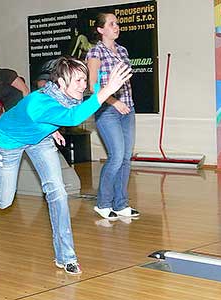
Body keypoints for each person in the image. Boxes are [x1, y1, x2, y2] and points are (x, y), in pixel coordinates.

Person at [0, 57, 131, 275]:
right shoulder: (40, 103)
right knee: (3, 201)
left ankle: (66, 256)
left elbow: (84, 98)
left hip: (39, 139)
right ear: (61, 83)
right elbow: (71, 118)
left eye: (83, 80)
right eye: (78, 81)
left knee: (58, 193)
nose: (82, 86)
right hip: (9, 142)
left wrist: (97, 72)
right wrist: (107, 90)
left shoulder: (66, 95)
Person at [86, 12, 139, 220]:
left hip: (128, 109)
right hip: (107, 110)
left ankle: (121, 204)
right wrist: (114, 101)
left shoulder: (122, 51)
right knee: (116, 156)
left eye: (116, 23)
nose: (116, 27)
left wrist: (126, 103)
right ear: (100, 30)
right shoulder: (95, 53)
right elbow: (92, 86)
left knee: (126, 158)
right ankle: (103, 203)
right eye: (111, 24)